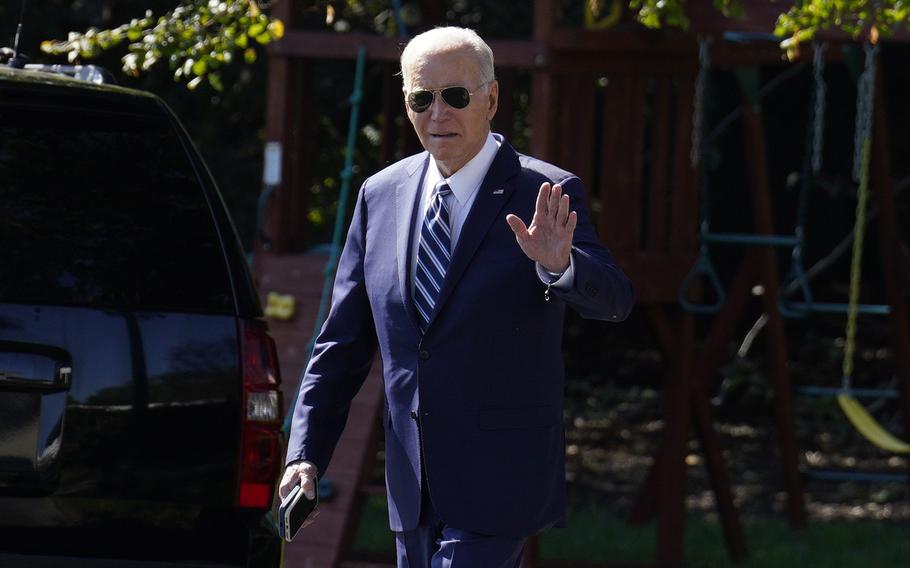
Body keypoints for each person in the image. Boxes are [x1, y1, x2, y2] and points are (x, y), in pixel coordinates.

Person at [280, 26, 634, 568]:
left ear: (491, 99)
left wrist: (561, 265)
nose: (438, 113)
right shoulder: (381, 195)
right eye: (422, 98)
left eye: (456, 96)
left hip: (500, 478)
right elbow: (341, 344)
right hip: (412, 483)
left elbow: (615, 299)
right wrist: (304, 455)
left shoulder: (545, 191)